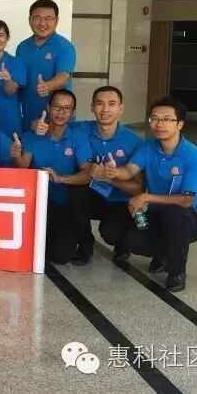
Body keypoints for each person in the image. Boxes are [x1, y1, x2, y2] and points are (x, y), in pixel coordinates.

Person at [109, 96, 197, 292]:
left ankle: (177, 272)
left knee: (174, 213)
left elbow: (187, 199)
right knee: (133, 241)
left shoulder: (193, 156)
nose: (159, 124)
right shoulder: (148, 147)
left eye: (166, 119)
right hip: (156, 213)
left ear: (180, 124)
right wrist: (112, 171)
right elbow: (128, 171)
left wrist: (146, 197)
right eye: (154, 118)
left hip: (189, 218)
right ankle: (164, 252)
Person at [11, 89, 91, 265]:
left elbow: (87, 174)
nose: (61, 112)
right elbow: (23, 165)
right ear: (48, 107)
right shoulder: (32, 136)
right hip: (38, 203)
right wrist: (16, 154)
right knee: (35, 250)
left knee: (61, 256)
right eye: (57, 107)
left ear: (73, 112)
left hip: (66, 203)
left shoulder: (79, 137)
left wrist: (61, 179)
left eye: (67, 108)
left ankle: (84, 242)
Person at [65, 86, 142, 266]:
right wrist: (36, 124)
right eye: (100, 104)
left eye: (112, 104)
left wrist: (109, 177)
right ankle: (85, 244)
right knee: (74, 193)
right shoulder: (81, 129)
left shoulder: (135, 142)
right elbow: (56, 123)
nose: (105, 109)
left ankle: (122, 242)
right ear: (92, 107)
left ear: (121, 108)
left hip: (120, 201)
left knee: (111, 234)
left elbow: (138, 188)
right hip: (93, 195)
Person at [16, 0, 76, 130]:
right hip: (29, 119)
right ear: (30, 20)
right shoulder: (22, 47)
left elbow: (64, 76)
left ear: (57, 21)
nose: (42, 23)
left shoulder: (65, 47)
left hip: (58, 121)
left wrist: (48, 86)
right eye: (37, 18)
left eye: (48, 18)